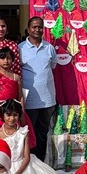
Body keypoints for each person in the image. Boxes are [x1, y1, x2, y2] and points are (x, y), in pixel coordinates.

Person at [0, 99, 65, 174]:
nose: (12, 118)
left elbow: (27, 156)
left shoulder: (23, 132)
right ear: (2, 116)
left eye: (15, 115)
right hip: (5, 166)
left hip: (23, 165)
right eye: (8, 115)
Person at [19, 16, 57, 161]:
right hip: (29, 100)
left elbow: (52, 66)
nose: (37, 30)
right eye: (34, 27)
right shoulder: (20, 48)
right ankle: (30, 162)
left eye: (40, 27)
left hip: (47, 100)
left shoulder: (49, 48)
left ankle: (41, 163)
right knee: (29, 133)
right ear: (28, 29)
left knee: (43, 133)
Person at [0, 47, 23, 131]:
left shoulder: (16, 77)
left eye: (9, 58)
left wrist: (22, 111)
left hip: (13, 109)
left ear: (12, 60)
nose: (6, 61)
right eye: (2, 58)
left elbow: (20, 96)